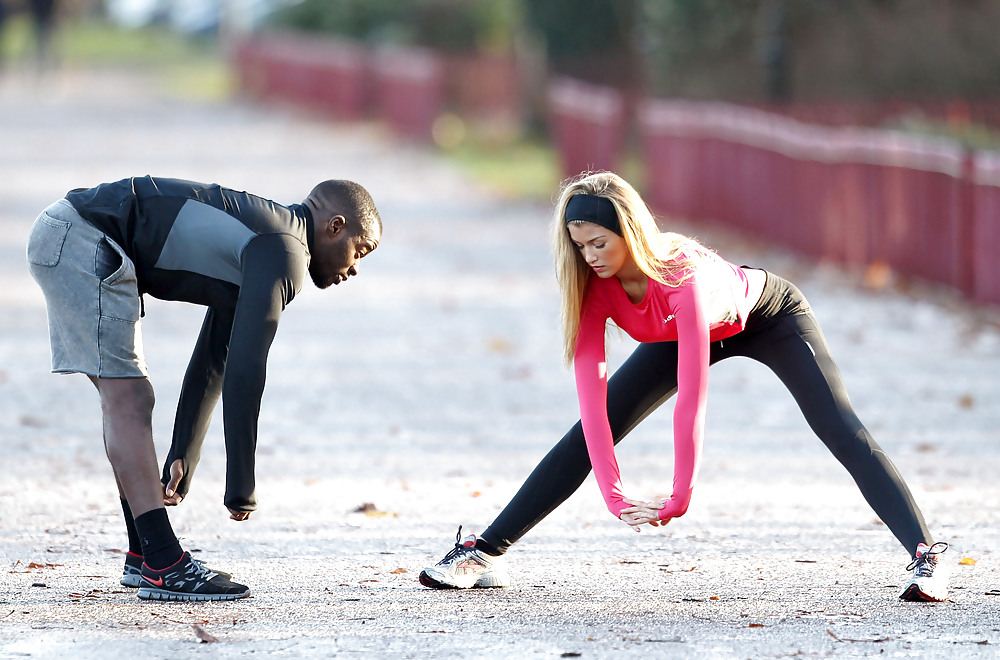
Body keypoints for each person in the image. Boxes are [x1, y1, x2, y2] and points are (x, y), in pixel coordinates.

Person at [419, 171, 948, 602]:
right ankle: (483, 551)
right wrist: (613, 494)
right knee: (585, 433)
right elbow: (593, 401)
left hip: (766, 316)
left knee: (839, 427)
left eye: (600, 243)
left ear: (632, 233)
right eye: (579, 246)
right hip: (675, 333)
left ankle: (926, 558)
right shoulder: (594, 287)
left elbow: (691, 398)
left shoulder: (680, 275)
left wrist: (679, 497)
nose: (590, 257)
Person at [27, 175, 381, 601]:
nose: (355, 266)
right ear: (335, 225)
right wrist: (242, 486)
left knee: (127, 398)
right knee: (129, 399)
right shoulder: (284, 251)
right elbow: (246, 372)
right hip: (85, 238)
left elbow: (217, 356)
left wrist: (184, 451)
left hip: (76, 234)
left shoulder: (270, 239)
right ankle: (162, 561)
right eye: (360, 250)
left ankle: (145, 555)